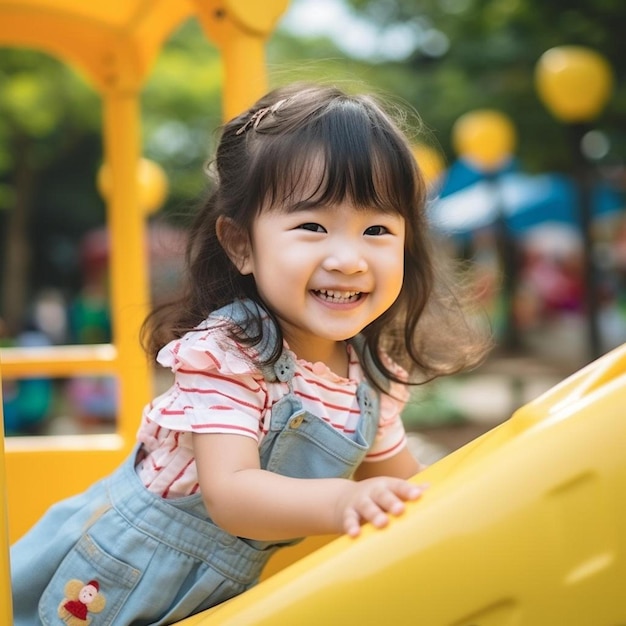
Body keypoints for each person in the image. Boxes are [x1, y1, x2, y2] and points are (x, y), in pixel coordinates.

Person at [11, 82, 491, 625]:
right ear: (242, 245)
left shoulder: (371, 378)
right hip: (127, 577)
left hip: (225, 593)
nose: (349, 258)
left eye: (377, 229)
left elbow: (407, 483)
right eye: (312, 226)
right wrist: (343, 502)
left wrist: (471, 496)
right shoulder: (230, 355)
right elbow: (232, 493)